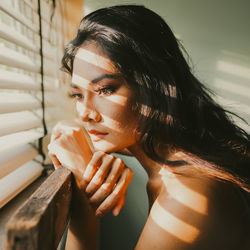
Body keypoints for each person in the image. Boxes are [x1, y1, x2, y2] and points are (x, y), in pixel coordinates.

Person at [48, 5, 250, 250]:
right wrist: (65, 129)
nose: (85, 114)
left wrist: (84, 212)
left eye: (106, 89)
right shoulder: (175, 165)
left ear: (154, 87)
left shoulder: (187, 196)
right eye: (78, 95)